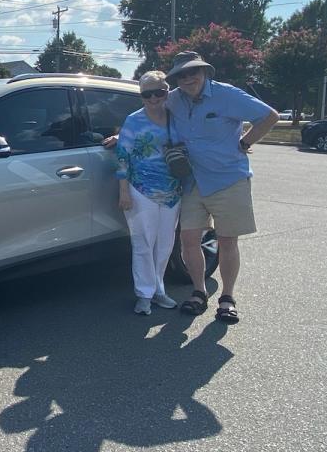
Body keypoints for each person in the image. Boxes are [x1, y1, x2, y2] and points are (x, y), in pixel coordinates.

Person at [163, 51, 278, 324]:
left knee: (227, 241)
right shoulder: (173, 100)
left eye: (193, 72)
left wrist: (245, 143)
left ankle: (227, 298)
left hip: (228, 179)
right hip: (192, 181)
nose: (188, 78)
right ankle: (199, 291)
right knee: (188, 240)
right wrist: (122, 133)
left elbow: (269, 116)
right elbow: (148, 116)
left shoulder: (228, 95)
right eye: (182, 74)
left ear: (205, 73)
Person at [115, 71, 181, 315]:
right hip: (141, 189)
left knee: (165, 245)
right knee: (143, 243)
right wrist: (124, 192)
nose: (153, 98)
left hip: (173, 190)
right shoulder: (134, 120)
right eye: (147, 94)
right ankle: (144, 294)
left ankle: (158, 290)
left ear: (167, 91)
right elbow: (122, 156)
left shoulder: (176, 117)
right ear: (141, 95)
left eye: (159, 92)